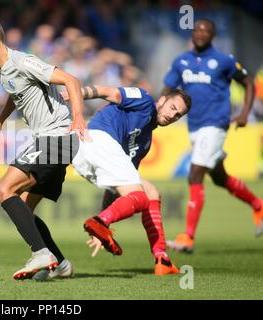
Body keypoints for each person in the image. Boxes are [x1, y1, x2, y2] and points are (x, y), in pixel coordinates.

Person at [0, 17, 90, 280]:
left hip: (56, 138)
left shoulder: (22, 61)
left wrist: (78, 118)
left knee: (3, 189)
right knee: (24, 207)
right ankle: (61, 264)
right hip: (52, 141)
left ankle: (41, 253)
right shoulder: (4, 70)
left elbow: (71, 80)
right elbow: (16, 93)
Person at [63, 85, 191, 275]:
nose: (173, 116)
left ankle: (161, 259)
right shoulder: (145, 100)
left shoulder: (145, 142)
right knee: (144, 195)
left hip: (85, 157)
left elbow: (116, 187)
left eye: (178, 115)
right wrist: (78, 93)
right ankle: (158, 255)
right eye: (172, 108)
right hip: (96, 138)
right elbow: (110, 93)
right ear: (162, 100)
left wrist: (102, 227)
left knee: (147, 194)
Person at [162, 19, 262, 253]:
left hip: (216, 125)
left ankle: (188, 237)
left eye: (205, 31)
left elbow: (248, 83)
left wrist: (244, 113)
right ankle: (258, 205)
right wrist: (158, 107)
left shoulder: (224, 60)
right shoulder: (181, 61)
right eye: (197, 30)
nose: (200, 34)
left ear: (212, 35)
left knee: (195, 173)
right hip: (194, 127)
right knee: (219, 177)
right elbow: (168, 89)